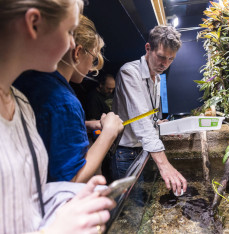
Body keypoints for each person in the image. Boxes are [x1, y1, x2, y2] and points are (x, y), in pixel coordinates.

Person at [0, 0, 115, 233]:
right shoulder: (59, 99)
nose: (73, 44)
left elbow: (29, 194)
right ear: (34, 24)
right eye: (70, 31)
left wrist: (69, 196)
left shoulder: (20, 101)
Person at [14, 14, 124, 184]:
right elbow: (71, 179)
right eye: (93, 57)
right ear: (78, 52)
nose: (91, 67)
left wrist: (86, 125)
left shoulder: (30, 81)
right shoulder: (64, 102)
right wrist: (109, 133)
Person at [112, 25, 187, 196]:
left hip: (144, 151)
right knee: (130, 211)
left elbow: (148, 115)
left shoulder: (159, 78)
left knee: (145, 201)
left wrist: (158, 124)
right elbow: (140, 123)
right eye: (161, 57)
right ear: (148, 48)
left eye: (171, 59)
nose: (165, 64)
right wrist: (164, 165)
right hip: (126, 153)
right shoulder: (129, 73)